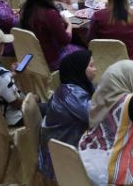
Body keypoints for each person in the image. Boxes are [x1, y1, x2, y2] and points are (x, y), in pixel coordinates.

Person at [38, 50, 96, 181]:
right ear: (80, 70)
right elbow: (96, 115)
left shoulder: (73, 86)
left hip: (61, 145)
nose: (95, 69)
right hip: (60, 161)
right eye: (91, 66)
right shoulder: (72, 95)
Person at [20, 0, 84, 71]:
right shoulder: (49, 14)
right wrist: (69, 24)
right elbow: (65, 40)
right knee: (85, 51)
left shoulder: (27, 7)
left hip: (33, 55)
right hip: (51, 59)